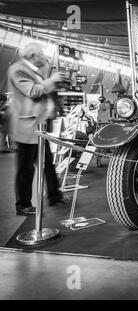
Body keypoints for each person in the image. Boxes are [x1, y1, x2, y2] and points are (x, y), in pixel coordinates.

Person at [7, 42, 68, 216]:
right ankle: (23, 204)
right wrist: (52, 81)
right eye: (41, 55)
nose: (44, 58)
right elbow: (33, 91)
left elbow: (43, 92)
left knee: (47, 164)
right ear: (32, 56)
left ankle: (54, 195)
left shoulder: (35, 71)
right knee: (26, 168)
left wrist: (56, 85)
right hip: (27, 128)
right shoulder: (17, 70)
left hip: (39, 127)